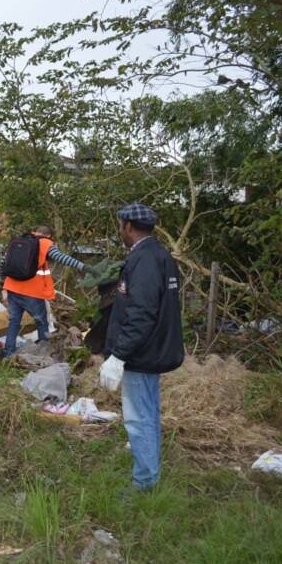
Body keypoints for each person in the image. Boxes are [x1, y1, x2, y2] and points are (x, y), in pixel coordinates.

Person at [99, 203, 184, 495]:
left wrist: (119, 355)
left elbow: (141, 312)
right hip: (150, 349)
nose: (119, 230)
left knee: (139, 418)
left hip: (141, 353)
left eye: (120, 225)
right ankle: (149, 475)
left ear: (128, 227)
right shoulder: (159, 255)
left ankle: (145, 483)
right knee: (147, 414)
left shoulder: (146, 260)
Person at [0, 226, 89, 356]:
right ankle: (44, 355)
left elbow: (4, 262)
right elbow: (62, 258)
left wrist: (3, 281)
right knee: (42, 323)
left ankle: (8, 354)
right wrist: (85, 267)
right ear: (49, 236)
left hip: (12, 289)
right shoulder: (46, 243)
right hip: (32, 292)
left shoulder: (20, 240)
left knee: (14, 323)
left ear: (35, 232)